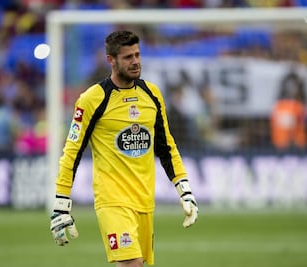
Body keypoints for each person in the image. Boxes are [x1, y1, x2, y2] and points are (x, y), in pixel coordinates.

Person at [49, 30, 199, 267]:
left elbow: (166, 146)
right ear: (111, 60)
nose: (136, 61)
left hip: (144, 200)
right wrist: (61, 203)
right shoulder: (92, 99)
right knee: (132, 263)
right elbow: (72, 152)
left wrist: (184, 188)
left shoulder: (152, 93)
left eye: (137, 55)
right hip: (112, 200)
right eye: (128, 57)